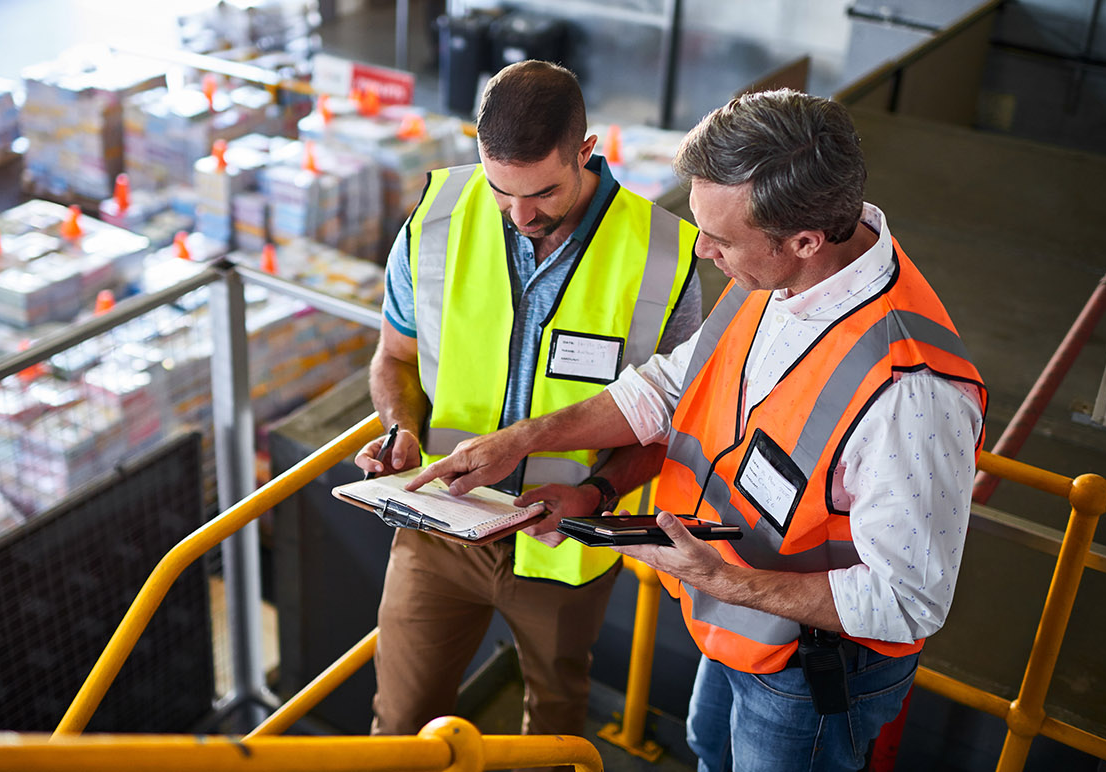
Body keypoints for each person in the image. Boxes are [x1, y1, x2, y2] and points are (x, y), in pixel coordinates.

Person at [408, 89, 988, 771]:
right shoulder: (780, 274)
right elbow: (670, 385)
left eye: (720, 238)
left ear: (804, 240)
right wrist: (528, 442)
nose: (703, 249)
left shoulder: (911, 396)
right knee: (709, 751)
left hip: (811, 674)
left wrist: (724, 579)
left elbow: (906, 600)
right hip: (734, 627)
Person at [354, 59, 703, 741]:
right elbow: (395, 358)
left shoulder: (665, 256)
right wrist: (400, 429)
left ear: (586, 152)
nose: (519, 215)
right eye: (500, 191)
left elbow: (672, 421)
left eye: (542, 193)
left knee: (553, 736)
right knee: (397, 729)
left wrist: (598, 493)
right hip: (437, 530)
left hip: (563, 544)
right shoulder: (435, 220)